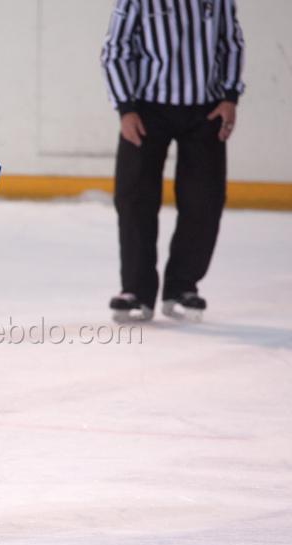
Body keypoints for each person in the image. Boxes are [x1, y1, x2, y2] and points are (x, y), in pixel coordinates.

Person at [100, 0, 245, 323]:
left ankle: (182, 287)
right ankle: (136, 290)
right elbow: (116, 49)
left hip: (207, 109)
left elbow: (231, 43)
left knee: (204, 199)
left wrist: (230, 97)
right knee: (134, 197)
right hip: (145, 108)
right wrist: (125, 108)